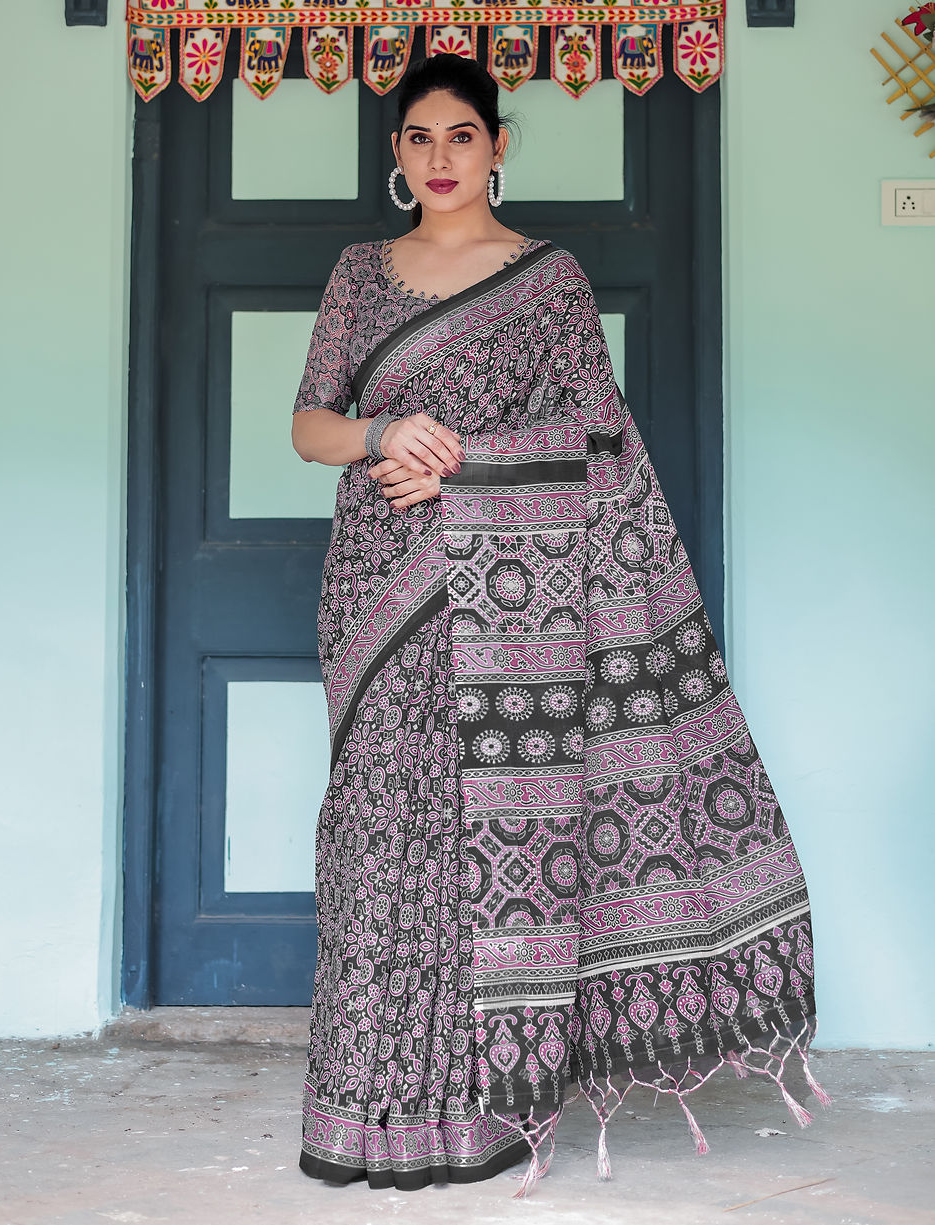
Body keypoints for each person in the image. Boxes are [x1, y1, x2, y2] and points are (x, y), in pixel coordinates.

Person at [291, 52, 830, 1196]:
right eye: (417, 139)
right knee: (376, 834)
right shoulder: (356, 274)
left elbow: (595, 443)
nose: (439, 158)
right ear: (395, 155)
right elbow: (308, 425)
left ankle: (471, 1110)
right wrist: (384, 438)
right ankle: (359, 1104)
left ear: (497, 144)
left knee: (471, 846)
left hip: (507, 606)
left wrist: (465, 462)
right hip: (375, 590)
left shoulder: (547, 280)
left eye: (460, 137)